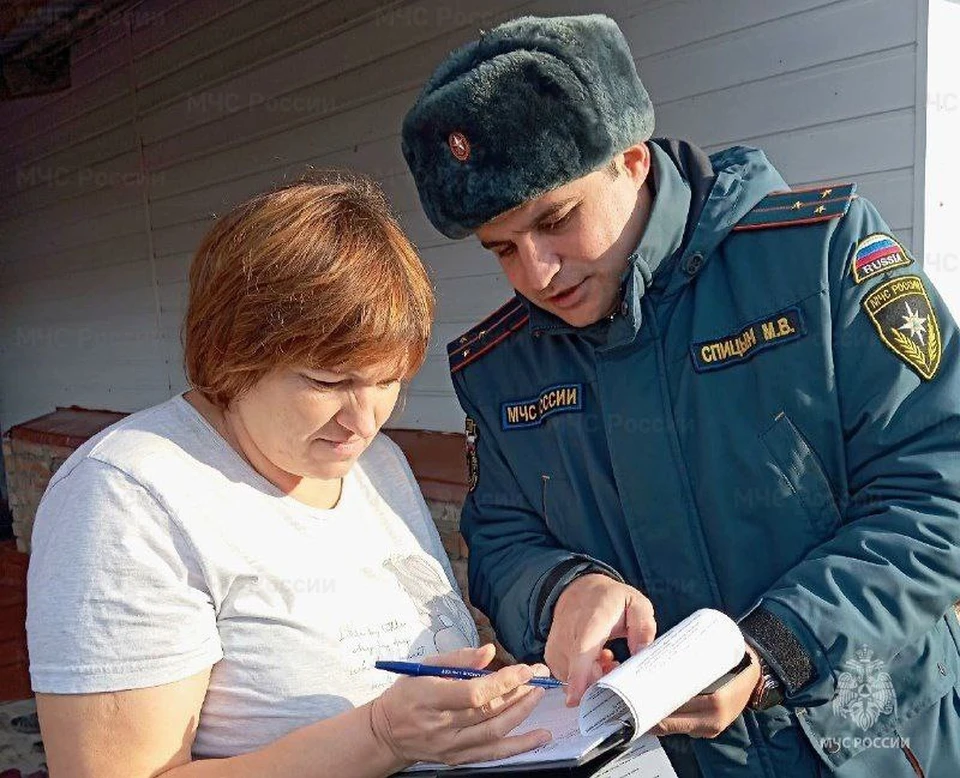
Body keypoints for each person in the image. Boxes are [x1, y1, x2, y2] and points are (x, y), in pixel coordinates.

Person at [400, 13, 960, 778]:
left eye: (555, 221)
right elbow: (501, 539)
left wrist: (775, 648)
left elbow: (939, 493)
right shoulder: (503, 367)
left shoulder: (821, 261)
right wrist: (562, 591)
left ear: (631, 160)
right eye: (500, 249)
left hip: (871, 747)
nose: (536, 273)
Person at [25, 175, 553, 777]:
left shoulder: (378, 466)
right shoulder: (126, 497)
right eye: (328, 383)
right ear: (232, 353)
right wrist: (381, 736)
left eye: (387, 381)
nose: (363, 420)